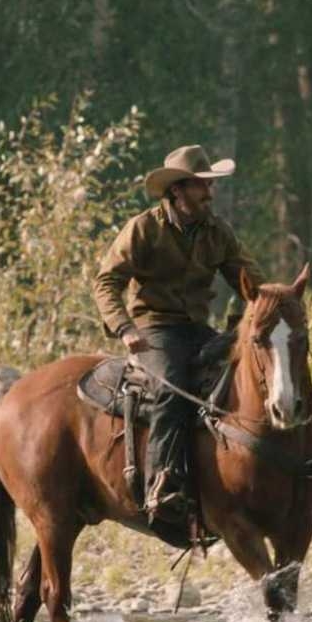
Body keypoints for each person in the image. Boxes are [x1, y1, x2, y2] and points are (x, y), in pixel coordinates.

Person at [92, 144, 260, 536]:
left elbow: (250, 279)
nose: (209, 193)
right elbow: (106, 282)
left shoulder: (218, 232)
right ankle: (162, 484)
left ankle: (259, 481)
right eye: (201, 185)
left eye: (209, 185)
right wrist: (125, 328)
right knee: (171, 390)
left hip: (199, 329)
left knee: (250, 381)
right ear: (177, 191)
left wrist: (274, 306)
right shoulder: (143, 228)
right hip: (154, 328)